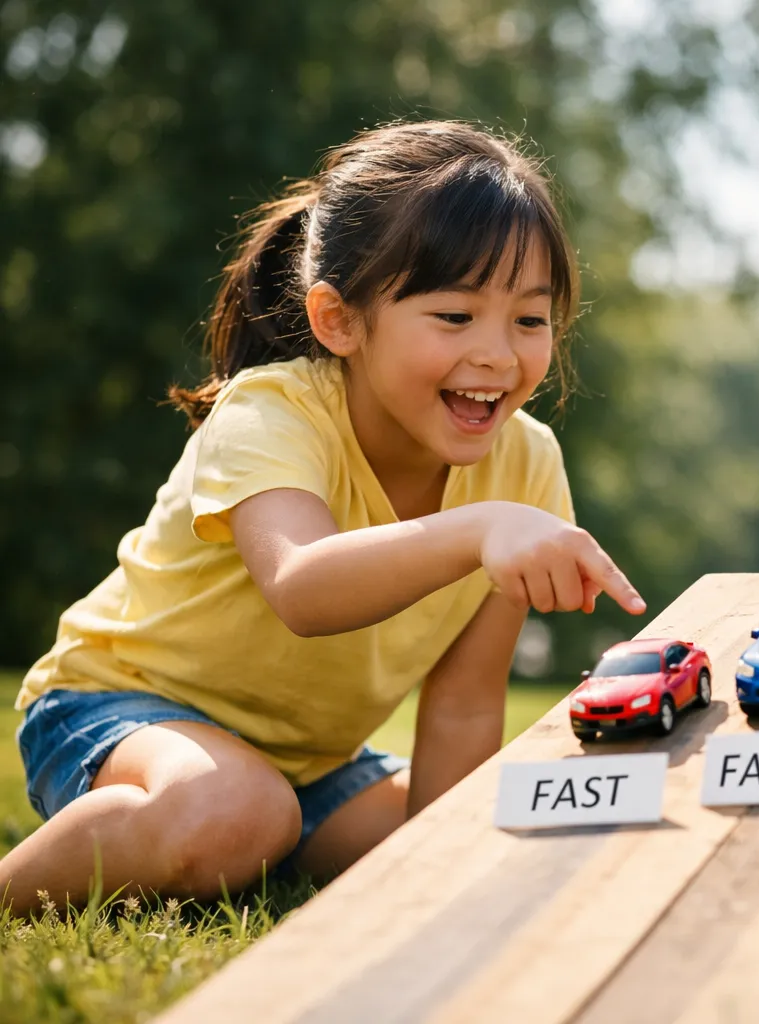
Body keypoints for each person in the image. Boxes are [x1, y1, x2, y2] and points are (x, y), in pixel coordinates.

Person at [4, 121, 646, 913]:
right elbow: (304, 587)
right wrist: (482, 530)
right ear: (339, 319)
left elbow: (466, 701)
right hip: (117, 711)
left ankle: (259, 839)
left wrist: (441, 874)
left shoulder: (527, 464)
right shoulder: (271, 413)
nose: (499, 356)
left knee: (486, 829)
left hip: (309, 770)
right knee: (239, 812)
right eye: (454, 316)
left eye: (529, 319)